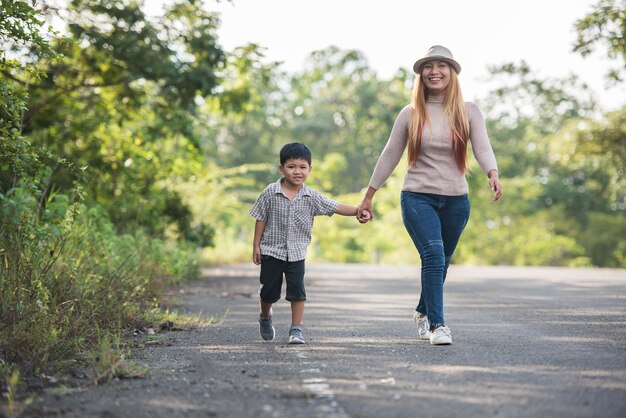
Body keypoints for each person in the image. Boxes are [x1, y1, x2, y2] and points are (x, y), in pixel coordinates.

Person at [357, 45, 502, 345]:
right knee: (434, 254)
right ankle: (438, 325)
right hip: (417, 196)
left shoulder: (469, 111)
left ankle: (422, 311)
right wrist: (369, 195)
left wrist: (493, 173)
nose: (434, 71)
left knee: (442, 261)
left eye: (442, 66)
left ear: (452, 72)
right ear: (421, 74)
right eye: (428, 66)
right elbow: (389, 155)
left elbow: (482, 147)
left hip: (456, 201)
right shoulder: (410, 114)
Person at [251, 142, 369, 344]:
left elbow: (336, 206)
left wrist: (359, 210)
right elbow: (260, 217)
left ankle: (296, 329)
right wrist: (256, 246)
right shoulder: (270, 192)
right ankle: (265, 316)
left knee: (298, 291)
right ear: (281, 168)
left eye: (302, 167)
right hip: (271, 251)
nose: (297, 172)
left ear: (309, 169)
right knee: (268, 292)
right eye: (291, 166)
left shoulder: (311, 196)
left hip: (297, 253)